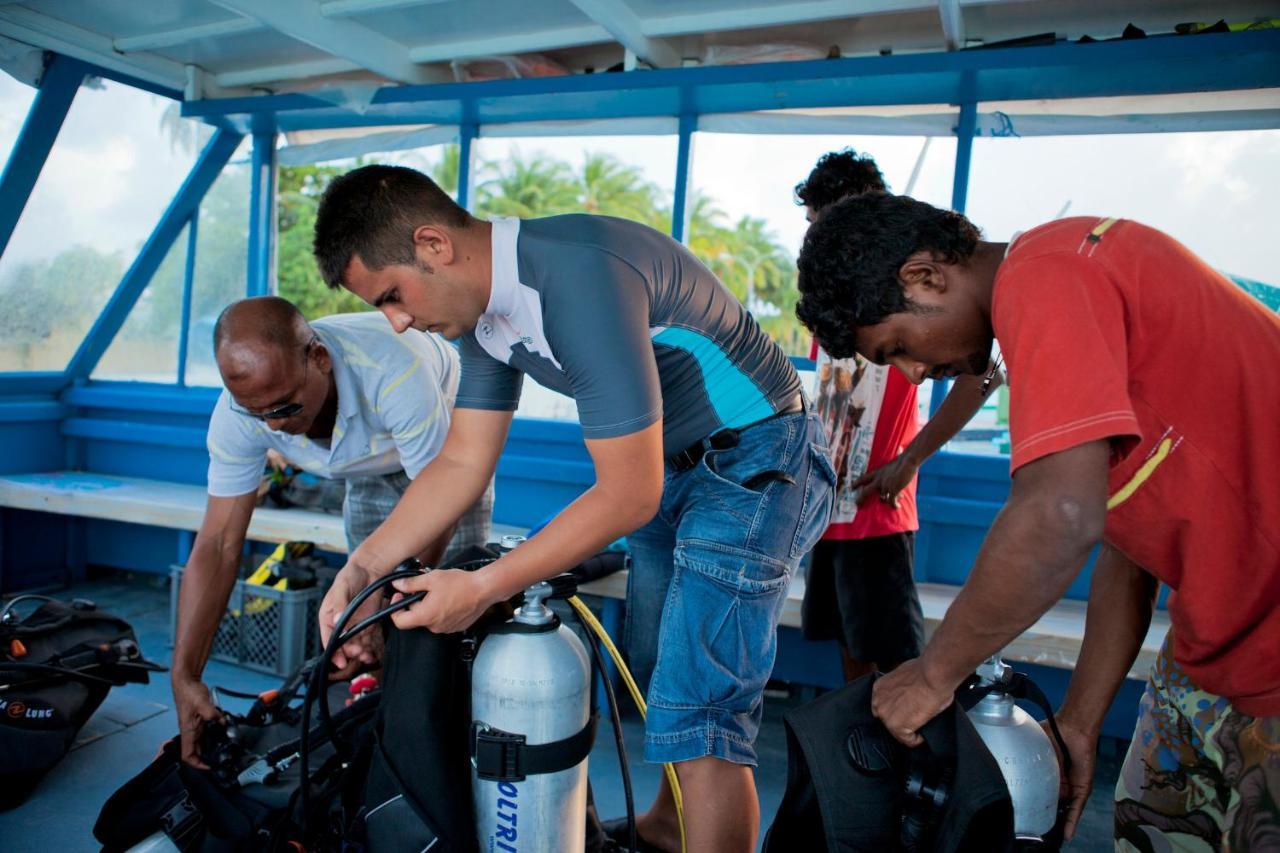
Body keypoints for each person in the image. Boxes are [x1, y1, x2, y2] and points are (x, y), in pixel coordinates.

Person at [311, 164, 834, 853]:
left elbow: (626, 492)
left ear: (434, 244)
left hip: (756, 458)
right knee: (655, 666)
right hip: (673, 465)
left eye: (392, 295)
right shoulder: (484, 318)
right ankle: (671, 829)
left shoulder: (576, 277)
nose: (397, 320)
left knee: (700, 707)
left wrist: (482, 587)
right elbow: (464, 461)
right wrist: (362, 566)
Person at [795, 193, 1280, 849]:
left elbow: (1060, 513)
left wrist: (933, 674)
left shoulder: (1050, 271)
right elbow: (1124, 541)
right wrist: (1078, 720)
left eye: (900, 346)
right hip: (1212, 649)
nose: (914, 371)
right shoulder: (1065, 294)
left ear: (925, 275)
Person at [172, 296, 493, 767]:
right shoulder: (242, 410)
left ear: (319, 358)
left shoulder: (394, 367)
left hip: (445, 457)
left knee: (452, 622)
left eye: (284, 406)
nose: (276, 425)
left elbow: (441, 500)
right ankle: (394, 754)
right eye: (260, 414)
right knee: (374, 639)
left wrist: (379, 603)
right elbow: (219, 543)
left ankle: (463, 752)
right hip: (365, 469)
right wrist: (185, 676)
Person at [795, 150, 999, 681]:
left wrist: (910, 460)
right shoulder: (839, 313)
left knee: (898, 662)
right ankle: (862, 761)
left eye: (830, 221)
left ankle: (912, 763)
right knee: (850, 653)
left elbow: (983, 375)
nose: (824, 238)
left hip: (879, 508)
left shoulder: (905, 300)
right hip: (831, 509)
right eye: (817, 226)